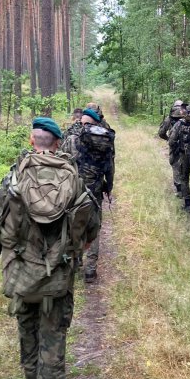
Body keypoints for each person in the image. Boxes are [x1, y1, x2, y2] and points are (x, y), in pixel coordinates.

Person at [0, 117, 100, 379]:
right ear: (57, 143)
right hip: (57, 279)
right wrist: (70, 252)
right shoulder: (74, 179)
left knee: (27, 330)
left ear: (33, 141)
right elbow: (92, 226)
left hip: (20, 275)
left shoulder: (15, 176)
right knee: (53, 343)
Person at [61, 107, 115, 282]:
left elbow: (61, 163)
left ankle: (75, 263)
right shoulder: (104, 138)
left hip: (74, 190)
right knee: (94, 227)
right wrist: (109, 186)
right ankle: (91, 270)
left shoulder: (71, 139)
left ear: (81, 121)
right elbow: (110, 165)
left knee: (73, 225)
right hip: (95, 189)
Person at [158, 100, 187, 196]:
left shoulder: (170, 118)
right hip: (187, 145)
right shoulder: (188, 116)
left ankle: (179, 190)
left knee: (175, 165)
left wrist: (168, 139)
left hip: (174, 145)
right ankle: (185, 188)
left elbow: (161, 132)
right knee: (185, 165)